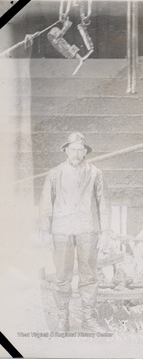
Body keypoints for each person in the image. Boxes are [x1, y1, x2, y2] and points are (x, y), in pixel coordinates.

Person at [39, 132, 112, 333]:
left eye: (80, 149)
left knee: (89, 276)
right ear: (65, 150)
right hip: (61, 231)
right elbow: (46, 204)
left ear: (85, 152)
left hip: (88, 230)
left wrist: (106, 232)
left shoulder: (96, 173)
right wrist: (45, 231)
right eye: (72, 149)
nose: (76, 153)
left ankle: (88, 319)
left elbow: (104, 203)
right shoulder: (54, 174)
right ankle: (63, 319)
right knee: (62, 276)